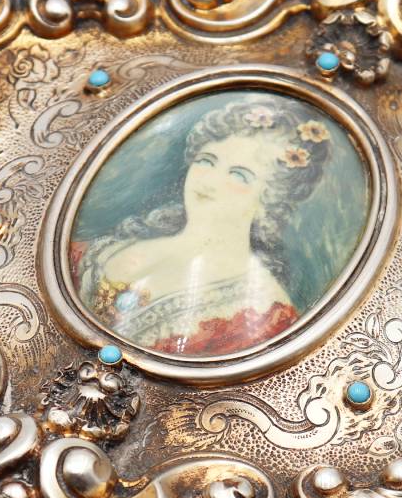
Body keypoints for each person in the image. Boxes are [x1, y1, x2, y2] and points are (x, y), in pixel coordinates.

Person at [70, 94, 335, 357]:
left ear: (271, 198)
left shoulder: (264, 311)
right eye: (207, 160)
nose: (210, 180)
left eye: (239, 175)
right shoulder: (114, 246)